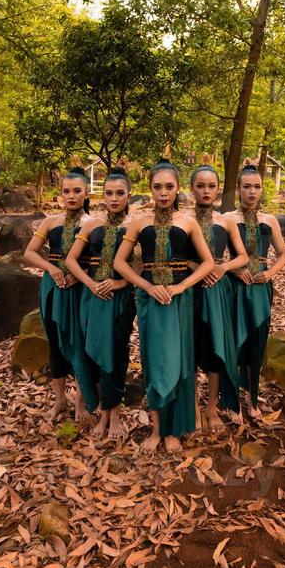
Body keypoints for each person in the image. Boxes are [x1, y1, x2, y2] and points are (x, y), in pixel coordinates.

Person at [113, 159, 214, 453]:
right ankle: (157, 430)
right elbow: (120, 262)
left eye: (169, 187)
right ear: (150, 189)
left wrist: (181, 286)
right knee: (155, 361)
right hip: (150, 300)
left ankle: (175, 430)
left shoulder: (188, 222)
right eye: (157, 187)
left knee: (181, 362)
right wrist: (146, 286)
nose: (163, 193)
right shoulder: (139, 222)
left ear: (178, 189)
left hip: (181, 299)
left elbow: (208, 262)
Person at [65, 167, 135, 441]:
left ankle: (112, 414)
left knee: (116, 353)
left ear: (129, 195)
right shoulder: (91, 225)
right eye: (109, 193)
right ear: (101, 195)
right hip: (91, 297)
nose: (114, 199)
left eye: (120, 193)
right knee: (90, 349)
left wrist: (120, 283)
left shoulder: (136, 225)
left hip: (121, 298)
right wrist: (90, 283)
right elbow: (71, 260)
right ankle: (96, 407)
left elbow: (140, 267)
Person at [24, 166, 94, 422]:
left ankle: (82, 402)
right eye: (67, 191)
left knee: (81, 344)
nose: (72, 196)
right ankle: (60, 400)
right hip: (54, 290)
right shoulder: (51, 222)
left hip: (82, 290)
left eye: (77, 191)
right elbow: (29, 253)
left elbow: (100, 259)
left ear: (87, 193)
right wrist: (51, 268)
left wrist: (80, 274)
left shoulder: (94, 224)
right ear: (61, 194)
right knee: (55, 343)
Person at [224, 164, 285, 418]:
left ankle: (252, 400)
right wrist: (234, 270)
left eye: (257, 187)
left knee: (257, 342)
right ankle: (231, 402)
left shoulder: (269, 220)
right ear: (239, 189)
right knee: (234, 343)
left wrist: (269, 273)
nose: (252, 192)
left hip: (261, 290)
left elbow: (283, 254)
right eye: (247, 186)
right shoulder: (228, 218)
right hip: (235, 287)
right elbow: (215, 257)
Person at [188, 164, 248, 428]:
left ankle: (212, 407)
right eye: (200, 186)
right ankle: (192, 408)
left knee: (215, 349)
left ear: (219, 188)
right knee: (188, 348)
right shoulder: (181, 219)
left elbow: (243, 256)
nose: (206, 191)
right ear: (191, 189)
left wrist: (222, 267)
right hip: (188, 290)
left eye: (211, 186)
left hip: (217, 291)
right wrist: (197, 268)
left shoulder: (226, 221)